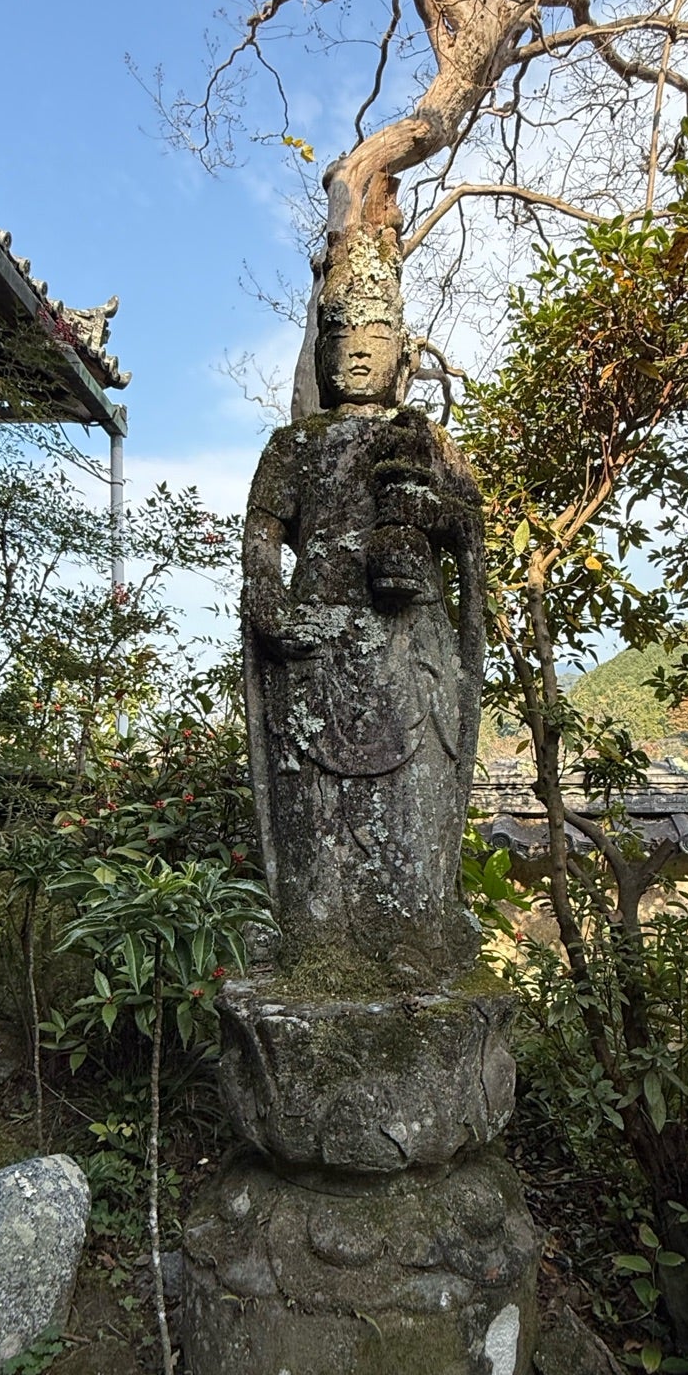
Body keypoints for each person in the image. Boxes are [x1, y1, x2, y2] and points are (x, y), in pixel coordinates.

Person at [241, 226, 485, 982]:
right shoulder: (293, 446)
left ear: (402, 352)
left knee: (411, 807)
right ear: (321, 352)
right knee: (315, 813)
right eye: (341, 335)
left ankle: (412, 931)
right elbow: (261, 539)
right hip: (317, 651)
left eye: (377, 334)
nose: (357, 350)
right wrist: (272, 609)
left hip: (408, 649)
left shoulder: (427, 442)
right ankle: (317, 939)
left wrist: (431, 515)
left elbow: (469, 527)